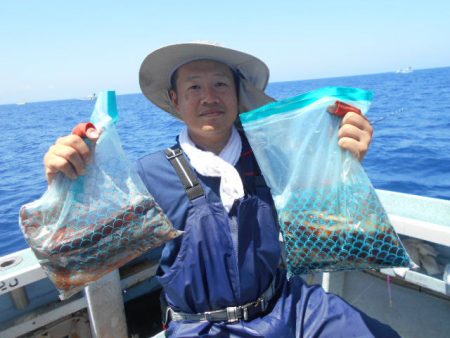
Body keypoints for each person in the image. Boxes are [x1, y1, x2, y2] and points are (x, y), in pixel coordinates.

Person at [44, 42, 399, 337]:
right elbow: (73, 256)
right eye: (194, 87)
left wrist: (345, 155)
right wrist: (66, 184)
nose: (209, 97)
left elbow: (329, 200)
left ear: (237, 94)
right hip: (199, 328)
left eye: (220, 85)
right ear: (175, 99)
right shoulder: (148, 174)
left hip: (289, 306)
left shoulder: (273, 155)